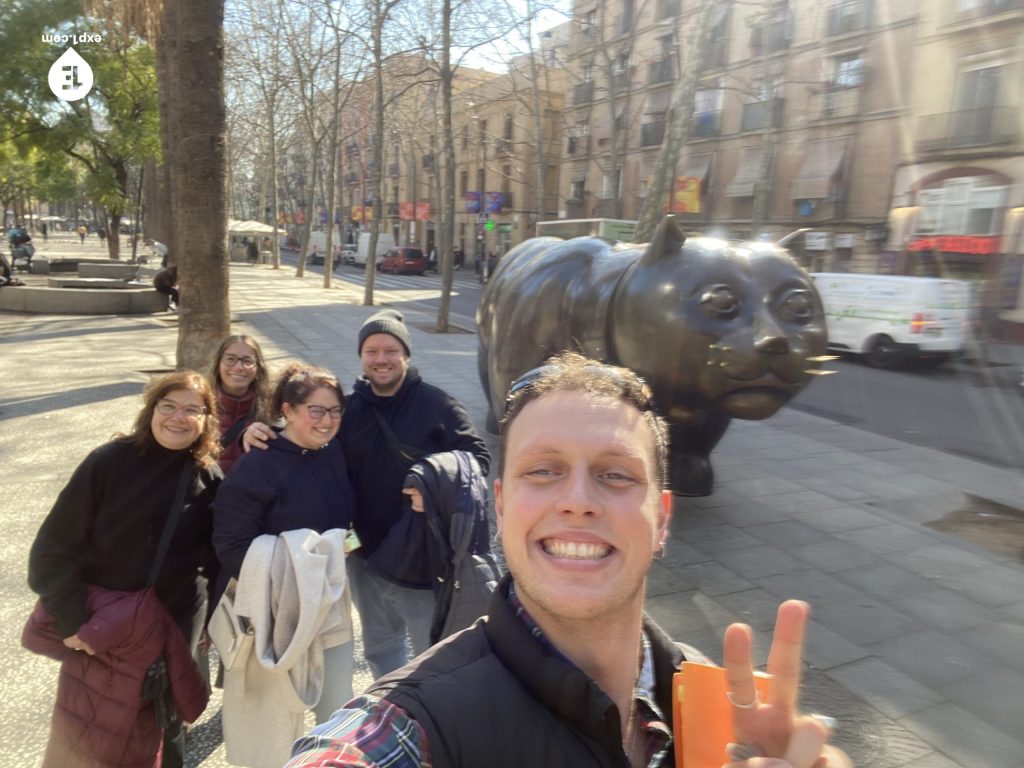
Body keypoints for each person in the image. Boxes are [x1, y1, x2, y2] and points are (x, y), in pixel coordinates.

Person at [285, 352, 851, 768]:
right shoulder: (410, 727)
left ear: (663, 518)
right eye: (543, 470)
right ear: (501, 506)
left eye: (616, 474)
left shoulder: (714, 706)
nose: (578, 501)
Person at [244, 309, 490, 679]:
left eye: (390, 350)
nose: (381, 359)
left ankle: (432, 719)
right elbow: (310, 437)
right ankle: (386, 712)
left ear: (405, 354)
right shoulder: (349, 408)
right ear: (361, 356)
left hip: (419, 558)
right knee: (380, 647)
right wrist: (265, 431)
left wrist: (438, 486)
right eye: (371, 351)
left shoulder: (438, 405)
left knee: (433, 653)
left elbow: (478, 460)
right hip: (362, 554)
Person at [27, 371, 222, 768]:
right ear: (151, 410)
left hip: (172, 631)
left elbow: (218, 556)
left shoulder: (208, 476)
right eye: (168, 406)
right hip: (103, 633)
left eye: (192, 410)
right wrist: (71, 622)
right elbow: (53, 550)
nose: (178, 418)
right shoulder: (108, 463)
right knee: (88, 740)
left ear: (206, 420)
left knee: (163, 735)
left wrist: (206, 626)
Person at [212, 363, 357, 766]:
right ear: (287, 411)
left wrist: (345, 545)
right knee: (276, 722)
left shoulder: (333, 452)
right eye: (316, 410)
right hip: (278, 611)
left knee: (336, 707)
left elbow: (341, 521)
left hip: (330, 604)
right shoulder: (257, 464)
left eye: (335, 411)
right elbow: (230, 542)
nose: (327, 421)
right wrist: (292, 577)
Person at [209, 334, 271, 473]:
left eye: (247, 361)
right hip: (208, 491)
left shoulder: (272, 409)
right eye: (230, 359)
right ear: (218, 364)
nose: (238, 367)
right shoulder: (199, 406)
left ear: (258, 368)